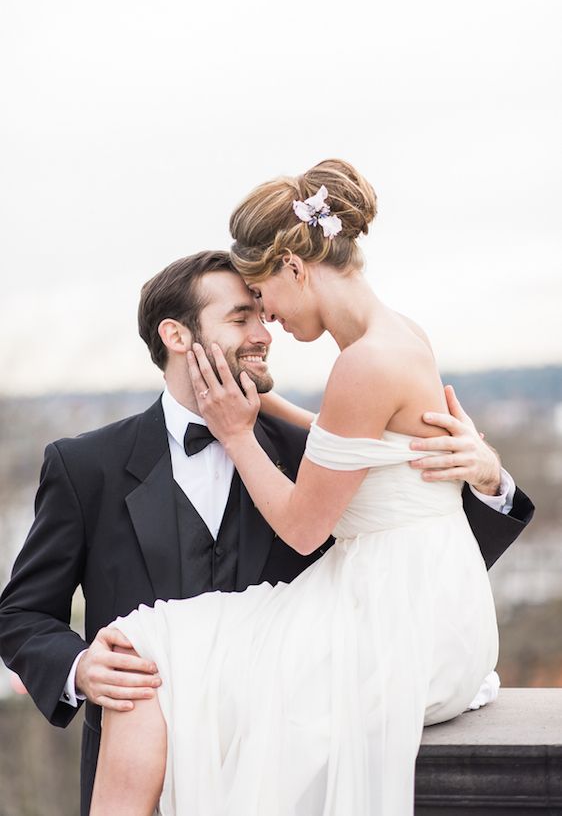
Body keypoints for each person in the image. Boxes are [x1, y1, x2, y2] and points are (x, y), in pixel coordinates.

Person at [89, 160, 534, 816]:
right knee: (171, 649)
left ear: (296, 268)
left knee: (150, 646)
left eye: (264, 295)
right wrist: (261, 405)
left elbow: (303, 527)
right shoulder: (399, 334)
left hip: (392, 629)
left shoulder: (363, 365)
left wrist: (237, 436)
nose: (267, 320)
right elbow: (345, 441)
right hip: (433, 611)